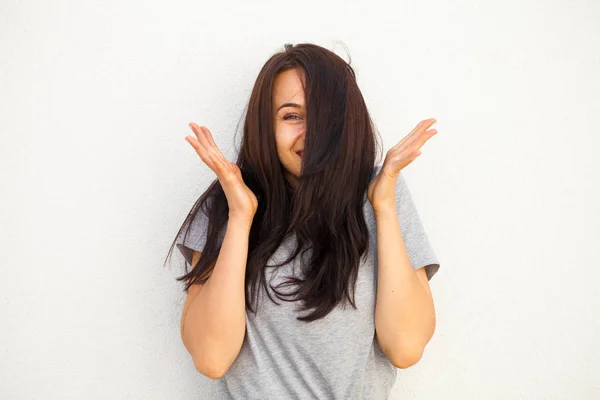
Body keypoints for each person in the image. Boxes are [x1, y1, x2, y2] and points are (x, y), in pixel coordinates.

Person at [166, 42, 441, 399]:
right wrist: (240, 217)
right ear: (266, 126)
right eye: (291, 116)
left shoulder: (381, 195)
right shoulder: (226, 204)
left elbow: (405, 347)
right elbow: (211, 358)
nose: (311, 133)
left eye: (325, 117)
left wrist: (384, 206)